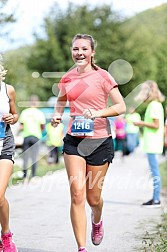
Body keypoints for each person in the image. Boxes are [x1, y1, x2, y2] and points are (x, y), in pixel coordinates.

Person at [51, 33, 126, 252]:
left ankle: (97, 220)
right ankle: (81, 248)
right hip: (74, 140)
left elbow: (121, 106)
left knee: (94, 199)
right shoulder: (67, 77)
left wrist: (98, 113)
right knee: (77, 194)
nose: (79, 53)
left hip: (99, 141)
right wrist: (57, 115)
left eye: (84, 49)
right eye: (76, 49)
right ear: (72, 51)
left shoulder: (103, 76)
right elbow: (60, 101)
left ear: (92, 52)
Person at [134, 80, 165, 207]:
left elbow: (156, 125)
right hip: (153, 143)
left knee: (155, 171)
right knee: (154, 171)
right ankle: (155, 197)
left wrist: (141, 123)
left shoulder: (154, 106)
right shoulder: (156, 105)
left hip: (153, 144)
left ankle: (156, 199)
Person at [0, 64, 18, 251]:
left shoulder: (7, 90)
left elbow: (15, 113)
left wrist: (13, 118)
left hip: (4, 143)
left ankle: (6, 234)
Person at [19, 95, 46, 178]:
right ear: (37, 103)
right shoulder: (40, 113)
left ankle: (25, 175)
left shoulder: (25, 112)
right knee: (34, 157)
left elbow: (21, 126)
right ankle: (33, 175)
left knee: (25, 157)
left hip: (26, 136)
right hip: (36, 136)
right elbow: (42, 126)